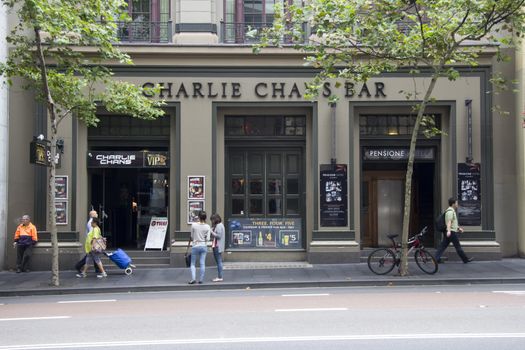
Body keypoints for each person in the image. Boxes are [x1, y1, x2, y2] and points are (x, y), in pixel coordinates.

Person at [435, 197, 474, 264]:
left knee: (442, 246)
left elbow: (453, 223)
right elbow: (449, 222)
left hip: (450, 231)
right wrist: (449, 231)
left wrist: (458, 228)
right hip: (451, 232)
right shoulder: (450, 212)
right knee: (458, 247)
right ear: (453, 204)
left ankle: (436, 259)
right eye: (456, 203)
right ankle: (465, 260)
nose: (457, 204)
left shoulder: (451, 211)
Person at [188, 210, 210, 284]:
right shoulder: (207, 226)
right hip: (203, 245)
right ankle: (201, 279)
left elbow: (191, 236)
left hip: (195, 245)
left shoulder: (194, 225)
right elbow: (208, 239)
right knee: (202, 263)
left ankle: (193, 278)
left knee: (193, 263)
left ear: (199, 217)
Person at [210, 213, 225, 282]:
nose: (211, 221)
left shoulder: (218, 226)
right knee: (219, 261)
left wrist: (211, 232)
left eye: (212, 220)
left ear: (215, 219)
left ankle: (220, 276)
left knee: (218, 261)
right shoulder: (220, 225)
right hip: (218, 245)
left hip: (217, 245)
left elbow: (218, 236)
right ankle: (220, 276)